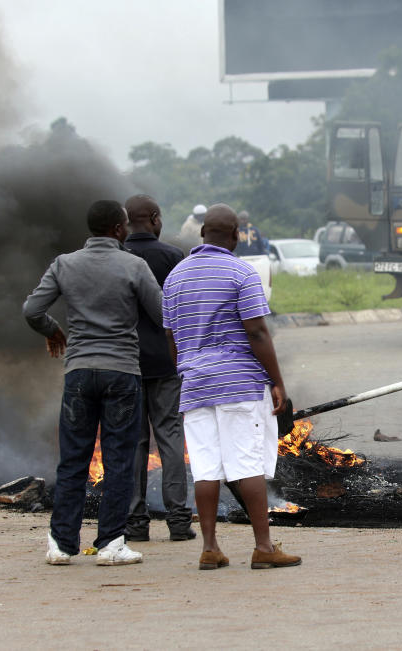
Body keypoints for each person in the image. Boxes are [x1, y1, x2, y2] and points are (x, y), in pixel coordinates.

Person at [23, 199, 163, 565]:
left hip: (79, 373)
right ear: (120, 229)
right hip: (122, 373)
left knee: (73, 460)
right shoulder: (134, 265)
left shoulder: (64, 264)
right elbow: (163, 313)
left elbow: (32, 310)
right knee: (119, 461)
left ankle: (61, 544)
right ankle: (111, 545)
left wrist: (54, 330)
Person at [162, 203, 301, 571]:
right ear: (236, 235)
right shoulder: (242, 272)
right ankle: (264, 548)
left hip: (195, 386)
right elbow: (256, 331)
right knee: (247, 465)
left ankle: (210, 548)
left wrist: (187, 370)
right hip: (238, 383)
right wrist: (277, 381)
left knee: (206, 469)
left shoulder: (174, 277)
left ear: (203, 232)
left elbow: (171, 337)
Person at [122, 195, 195, 542]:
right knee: (169, 439)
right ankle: (179, 521)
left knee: (134, 443)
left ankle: (136, 524)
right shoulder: (171, 257)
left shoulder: (116, 257)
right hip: (166, 362)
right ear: (152, 218)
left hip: (125, 363)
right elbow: (180, 312)